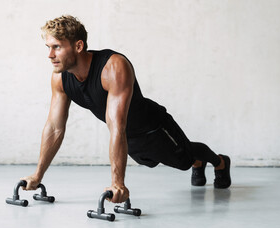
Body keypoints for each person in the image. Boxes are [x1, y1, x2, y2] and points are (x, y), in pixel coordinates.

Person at [21, 15, 231, 204]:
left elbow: (116, 125)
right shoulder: (60, 78)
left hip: (153, 127)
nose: (50, 55)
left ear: (78, 46)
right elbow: (55, 128)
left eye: (56, 47)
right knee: (151, 161)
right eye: (48, 47)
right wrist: (37, 175)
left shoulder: (112, 67)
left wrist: (117, 183)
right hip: (128, 138)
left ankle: (219, 163)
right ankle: (196, 162)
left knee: (183, 160)